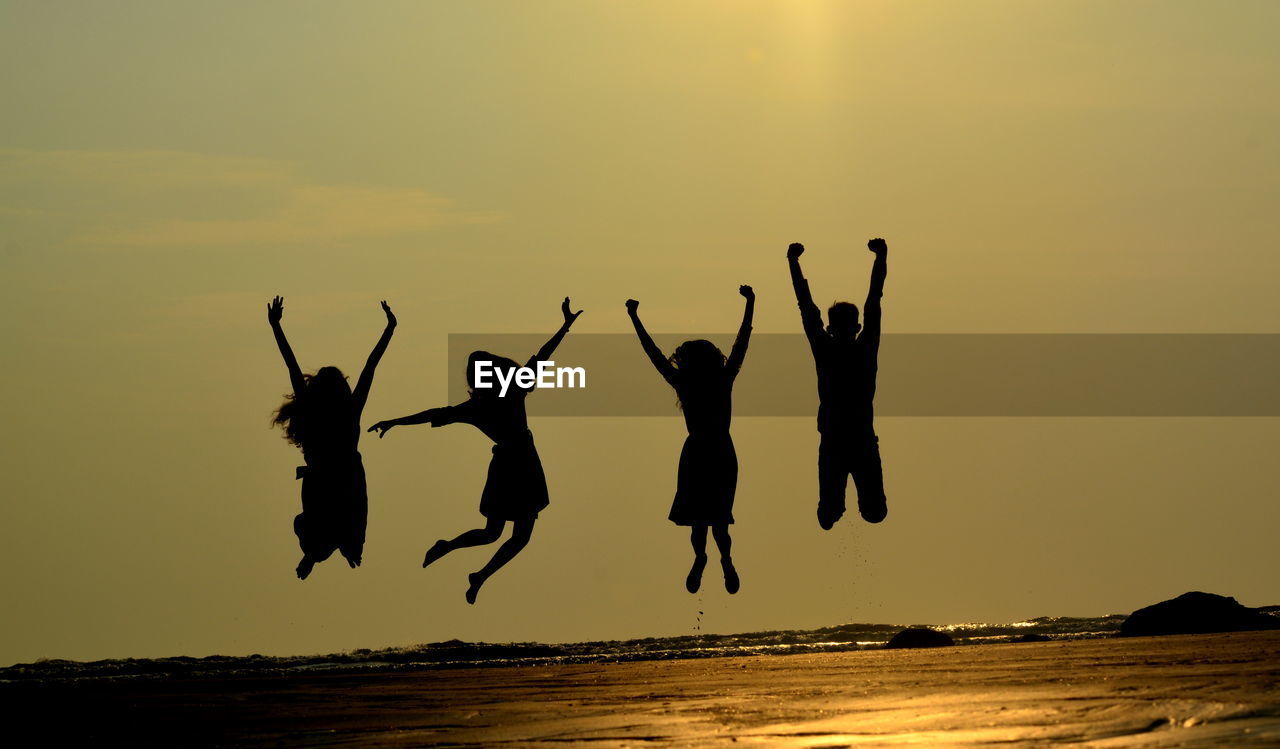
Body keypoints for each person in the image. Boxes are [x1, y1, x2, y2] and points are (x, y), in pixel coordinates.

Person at [368, 297, 582, 604]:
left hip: (507, 462)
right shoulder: (509, 390)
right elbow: (543, 357)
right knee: (517, 536)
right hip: (521, 462)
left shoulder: (479, 405)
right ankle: (475, 571)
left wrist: (395, 422)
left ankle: (459, 557)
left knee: (493, 532)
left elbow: (433, 413)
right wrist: (565, 326)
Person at [626, 286, 754, 594]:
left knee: (698, 520)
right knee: (719, 519)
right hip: (722, 450)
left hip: (696, 451)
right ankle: (726, 558)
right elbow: (741, 343)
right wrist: (751, 304)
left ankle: (701, 557)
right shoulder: (724, 379)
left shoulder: (682, 382)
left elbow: (652, 353)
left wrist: (634, 317)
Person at [267, 296, 397, 579]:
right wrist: (390, 329)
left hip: (321, 478)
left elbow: (291, 365)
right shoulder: (351, 409)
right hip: (347, 477)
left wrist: (276, 327)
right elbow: (370, 367)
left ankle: (319, 552)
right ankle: (342, 548)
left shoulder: (311, 408)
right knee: (344, 524)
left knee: (315, 528)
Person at [787, 238, 889, 530]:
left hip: (845, 441)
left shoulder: (830, 347)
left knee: (855, 514)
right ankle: (839, 508)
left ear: (833, 328)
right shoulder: (862, 347)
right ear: (855, 328)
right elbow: (873, 301)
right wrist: (880, 258)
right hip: (849, 441)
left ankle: (838, 508)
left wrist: (793, 263)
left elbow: (807, 309)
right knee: (845, 515)